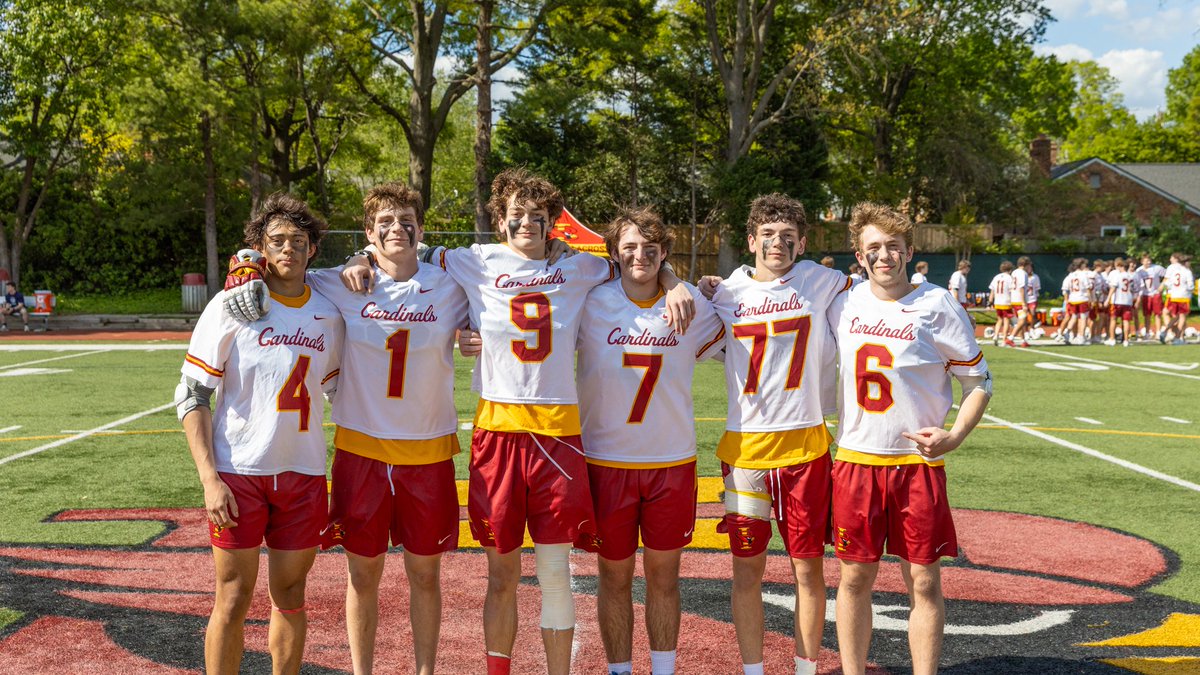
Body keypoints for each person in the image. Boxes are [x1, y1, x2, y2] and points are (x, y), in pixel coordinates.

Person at [342, 168, 694, 675]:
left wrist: (673, 279)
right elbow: (401, 257)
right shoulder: (471, 260)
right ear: (500, 221)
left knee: (554, 572)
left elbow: (634, 266)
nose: (526, 223)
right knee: (501, 572)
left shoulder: (582, 269)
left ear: (552, 223)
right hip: (498, 434)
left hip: (556, 435)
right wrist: (357, 255)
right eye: (516, 215)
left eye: (537, 216)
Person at [225, 183, 469, 674]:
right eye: (384, 224)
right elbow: (282, 260)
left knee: (425, 575)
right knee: (363, 574)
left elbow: (517, 274)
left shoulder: (452, 284)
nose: (396, 230)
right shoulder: (340, 280)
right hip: (363, 450)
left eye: (405, 222)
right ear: (367, 232)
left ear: (421, 230)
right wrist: (247, 262)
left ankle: (425, 672)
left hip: (428, 450)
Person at [176, 193, 344, 675]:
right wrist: (210, 478)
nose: (287, 249)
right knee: (232, 596)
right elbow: (191, 395)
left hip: (303, 473)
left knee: (291, 595)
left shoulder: (329, 315)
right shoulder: (232, 305)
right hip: (239, 473)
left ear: (312, 248)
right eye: (277, 241)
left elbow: (336, 391)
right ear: (260, 248)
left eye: (298, 240)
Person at [830, 202, 992, 675]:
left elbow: (979, 381)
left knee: (923, 582)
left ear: (909, 251)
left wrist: (955, 434)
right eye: (873, 248)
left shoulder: (937, 303)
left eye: (893, 247)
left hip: (916, 464)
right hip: (857, 458)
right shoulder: (843, 299)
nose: (884, 256)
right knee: (856, 578)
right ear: (858, 256)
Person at [700, 193, 850, 675]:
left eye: (788, 237)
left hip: (805, 447)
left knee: (808, 569)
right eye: (768, 235)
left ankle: (806, 669)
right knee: (747, 571)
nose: (777, 244)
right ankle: (754, 670)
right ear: (751, 240)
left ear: (802, 242)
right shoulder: (725, 292)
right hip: (743, 452)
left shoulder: (821, 280)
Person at [575, 207, 725, 675]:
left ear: (664, 252)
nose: (640, 255)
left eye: (650, 248)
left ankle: (663, 670)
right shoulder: (590, 301)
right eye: (630, 247)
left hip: (671, 462)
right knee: (614, 577)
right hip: (606, 460)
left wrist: (690, 285)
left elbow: (747, 341)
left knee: (664, 577)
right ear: (615, 254)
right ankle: (620, 670)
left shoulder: (690, 308)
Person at [1163, 252, 1195, 345]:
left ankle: (1165, 331)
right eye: (1189, 262)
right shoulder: (1187, 272)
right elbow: (1191, 286)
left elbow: (1167, 283)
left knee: (1176, 317)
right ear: (1185, 262)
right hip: (1183, 297)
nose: (1190, 264)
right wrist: (1188, 290)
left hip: (1173, 297)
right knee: (1182, 318)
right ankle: (1177, 338)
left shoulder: (1175, 271)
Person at [1061, 258, 1094, 345]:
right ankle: (1081, 337)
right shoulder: (1083, 275)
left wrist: (1067, 300)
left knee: (1074, 317)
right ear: (1081, 265)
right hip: (1082, 299)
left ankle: (1067, 332)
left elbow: (1066, 288)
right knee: (1083, 318)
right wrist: (1090, 300)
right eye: (1084, 264)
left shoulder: (1071, 275)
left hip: (1073, 299)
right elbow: (1088, 288)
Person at [1105, 258, 1136, 347]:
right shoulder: (1130, 276)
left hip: (1117, 300)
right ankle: (1126, 340)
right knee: (1126, 321)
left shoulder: (1117, 276)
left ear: (1119, 266)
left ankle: (1112, 339)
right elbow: (1134, 289)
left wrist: (1108, 299)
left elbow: (1113, 288)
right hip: (1128, 301)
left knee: (1113, 319)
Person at [1138, 254, 1166, 339]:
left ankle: (1158, 332)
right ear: (1142, 261)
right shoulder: (1139, 271)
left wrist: (1162, 285)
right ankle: (1147, 332)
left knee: (1158, 314)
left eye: (1149, 260)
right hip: (1146, 295)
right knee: (1147, 315)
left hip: (1155, 294)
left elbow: (1168, 275)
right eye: (1146, 260)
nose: (1148, 262)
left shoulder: (1157, 268)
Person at [987, 261, 1014, 346]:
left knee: (999, 319)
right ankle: (1004, 338)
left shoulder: (996, 277)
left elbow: (992, 291)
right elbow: (1011, 290)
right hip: (1006, 301)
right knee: (1006, 321)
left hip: (997, 302)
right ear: (1010, 269)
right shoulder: (1009, 278)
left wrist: (990, 302)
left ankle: (995, 335)